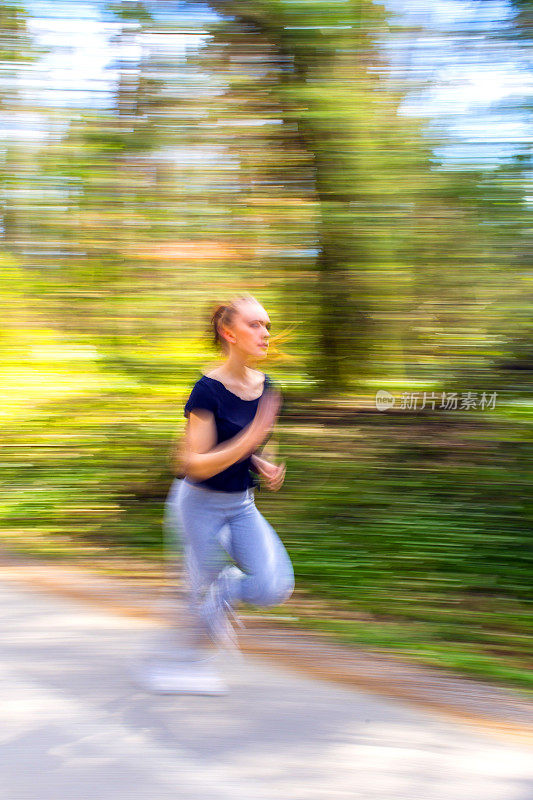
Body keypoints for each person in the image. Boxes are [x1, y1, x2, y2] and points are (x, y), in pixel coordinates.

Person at [139, 293, 294, 694]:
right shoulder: (206, 390)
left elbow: (255, 446)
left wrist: (263, 462)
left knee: (273, 585)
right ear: (229, 332)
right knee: (194, 591)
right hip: (199, 505)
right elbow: (195, 463)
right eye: (254, 325)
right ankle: (176, 665)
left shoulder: (266, 386)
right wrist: (251, 440)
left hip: (241, 505)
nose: (264, 333)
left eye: (267, 325)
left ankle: (223, 591)